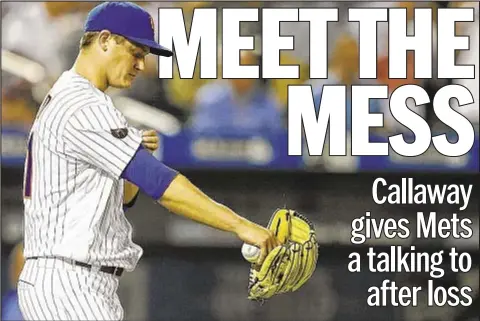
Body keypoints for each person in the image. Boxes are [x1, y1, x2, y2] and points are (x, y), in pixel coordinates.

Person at [17, 2, 280, 321]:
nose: (141, 65)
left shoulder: (85, 100)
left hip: (75, 282)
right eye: (136, 52)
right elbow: (160, 183)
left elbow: (123, 201)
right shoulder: (83, 104)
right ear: (104, 40)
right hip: (69, 283)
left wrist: (128, 155)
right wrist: (241, 225)